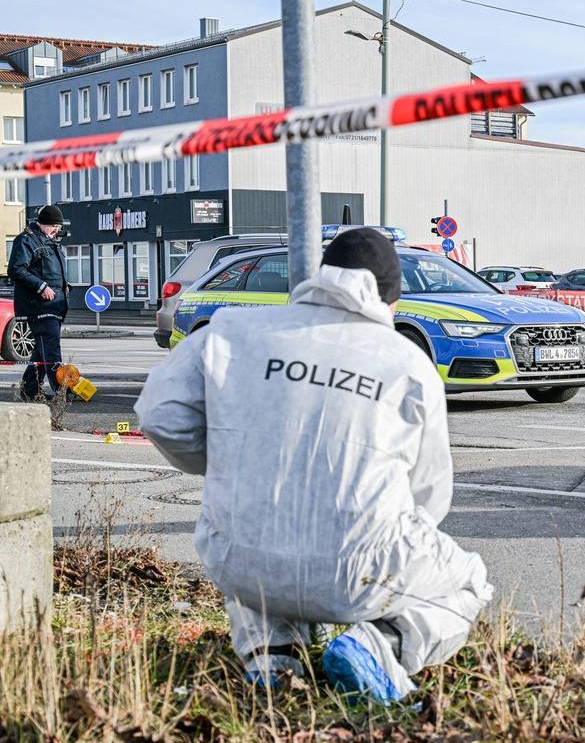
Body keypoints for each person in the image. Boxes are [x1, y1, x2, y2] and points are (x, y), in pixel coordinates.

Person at [136, 228, 492, 703]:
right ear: (390, 300)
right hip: (359, 573)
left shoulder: (232, 331)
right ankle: (381, 644)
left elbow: (160, 414)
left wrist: (236, 464)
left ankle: (271, 656)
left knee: (252, 525)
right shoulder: (406, 362)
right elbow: (429, 495)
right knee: (469, 580)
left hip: (242, 563)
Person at [9, 205, 69, 401]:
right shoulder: (26, 240)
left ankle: (29, 388)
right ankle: (61, 390)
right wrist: (41, 287)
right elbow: (16, 269)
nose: (57, 230)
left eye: (58, 227)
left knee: (41, 351)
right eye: (54, 226)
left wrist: (64, 287)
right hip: (39, 307)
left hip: (54, 306)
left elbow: (52, 271)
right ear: (43, 224)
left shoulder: (49, 241)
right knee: (51, 348)